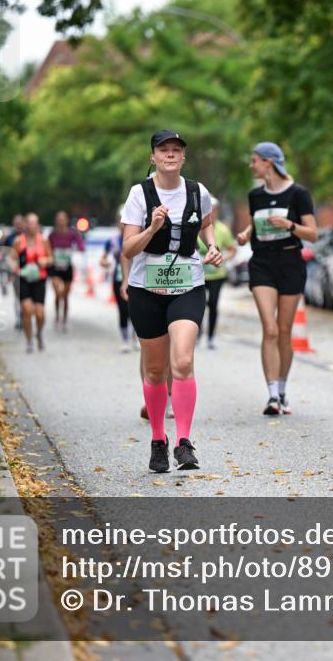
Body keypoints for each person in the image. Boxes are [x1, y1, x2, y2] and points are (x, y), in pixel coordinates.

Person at [120, 130, 222, 473]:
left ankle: (184, 442)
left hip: (187, 285)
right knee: (154, 369)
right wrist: (151, 229)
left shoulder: (196, 191)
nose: (170, 154)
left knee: (183, 361)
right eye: (163, 150)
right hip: (146, 290)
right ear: (153, 157)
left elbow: (206, 222)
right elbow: (128, 249)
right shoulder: (139, 194)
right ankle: (158, 440)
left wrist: (212, 246)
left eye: (176, 150)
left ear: (183, 157)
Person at [236, 142, 317, 416]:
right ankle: (272, 396)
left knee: (284, 330)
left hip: (291, 262)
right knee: (269, 329)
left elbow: (313, 233)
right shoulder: (255, 195)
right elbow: (257, 221)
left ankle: (282, 390)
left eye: (254, 160)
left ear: (268, 162)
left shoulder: (298, 194)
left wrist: (290, 225)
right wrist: (246, 234)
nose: (251, 165)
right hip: (262, 264)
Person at [197, 197, 236, 349]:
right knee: (199, 305)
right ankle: (198, 335)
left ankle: (211, 337)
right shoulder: (197, 227)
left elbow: (232, 250)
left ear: (216, 210)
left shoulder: (223, 230)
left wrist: (221, 257)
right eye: (207, 210)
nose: (210, 213)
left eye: (213, 210)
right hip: (199, 274)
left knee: (213, 304)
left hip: (217, 275)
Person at [13, 212, 53, 353]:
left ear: (38, 225)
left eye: (35, 223)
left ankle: (39, 333)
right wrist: (15, 268)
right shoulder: (18, 241)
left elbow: (51, 258)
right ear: (25, 225)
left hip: (39, 279)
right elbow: (11, 259)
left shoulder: (44, 240)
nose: (32, 226)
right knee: (27, 310)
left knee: (40, 314)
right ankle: (29, 341)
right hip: (23, 279)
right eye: (30, 223)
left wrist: (45, 261)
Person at [102, 212, 134, 352]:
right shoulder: (112, 241)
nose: (123, 225)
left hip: (136, 278)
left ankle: (136, 337)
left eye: (126, 222)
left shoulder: (136, 238)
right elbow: (103, 258)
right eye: (121, 222)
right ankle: (125, 339)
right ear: (117, 224)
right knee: (122, 309)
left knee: (135, 310)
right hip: (118, 278)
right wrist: (105, 263)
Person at [48, 211, 85, 332]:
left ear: (66, 220)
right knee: (58, 293)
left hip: (67, 267)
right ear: (56, 220)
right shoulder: (52, 235)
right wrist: (51, 255)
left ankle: (64, 320)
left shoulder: (72, 234)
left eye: (63, 219)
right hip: (55, 268)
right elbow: (47, 248)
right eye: (59, 219)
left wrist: (76, 248)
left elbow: (81, 246)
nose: (61, 221)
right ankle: (57, 317)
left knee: (65, 296)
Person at [3, 214, 25, 328]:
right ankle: (19, 318)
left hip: (27, 271)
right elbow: (6, 255)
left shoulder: (28, 237)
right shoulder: (10, 238)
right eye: (16, 224)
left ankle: (25, 316)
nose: (19, 226)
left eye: (20, 223)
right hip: (15, 271)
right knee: (17, 296)